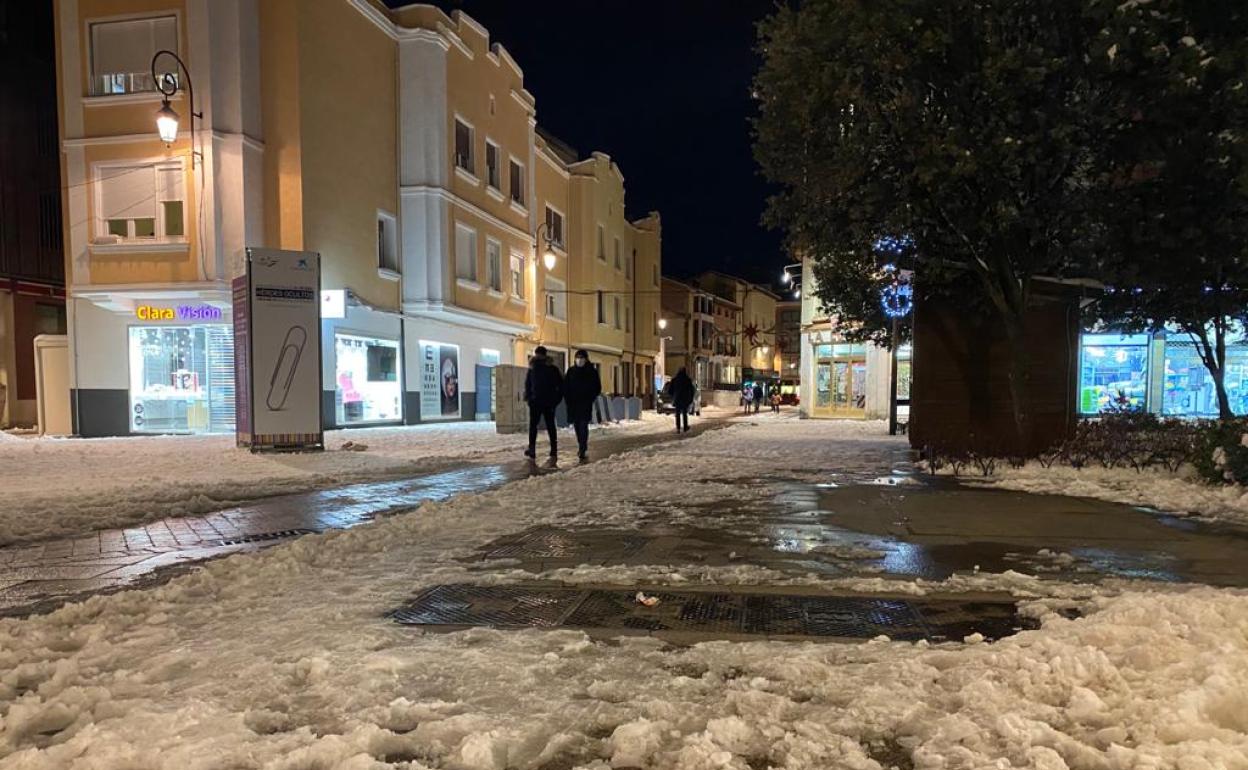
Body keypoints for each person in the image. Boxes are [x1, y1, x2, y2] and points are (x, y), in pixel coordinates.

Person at [524, 346, 563, 459]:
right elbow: (560, 385)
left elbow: (528, 385)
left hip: (537, 402)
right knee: (550, 425)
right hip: (548, 402)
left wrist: (529, 398)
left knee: (534, 426)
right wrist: (556, 400)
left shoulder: (533, 368)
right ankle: (553, 450)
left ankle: (532, 450)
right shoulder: (551, 368)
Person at [563, 349, 602, 460]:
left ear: (586, 359)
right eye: (578, 357)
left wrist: (590, 397)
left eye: (582, 358)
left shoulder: (591, 372)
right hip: (573, 403)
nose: (579, 360)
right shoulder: (571, 371)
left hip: (585, 403)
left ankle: (582, 447)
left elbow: (597, 387)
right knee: (576, 425)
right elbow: (565, 386)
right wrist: (567, 398)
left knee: (583, 425)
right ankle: (581, 444)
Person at [670, 367, 695, 433]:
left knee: (677, 414)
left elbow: (670, 390)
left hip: (677, 399)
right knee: (684, 413)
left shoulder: (675, 380)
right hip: (685, 400)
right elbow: (692, 390)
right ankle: (685, 427)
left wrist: (673, 396)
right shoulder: (687, 380)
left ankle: (678, 428)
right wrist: (690, 399)